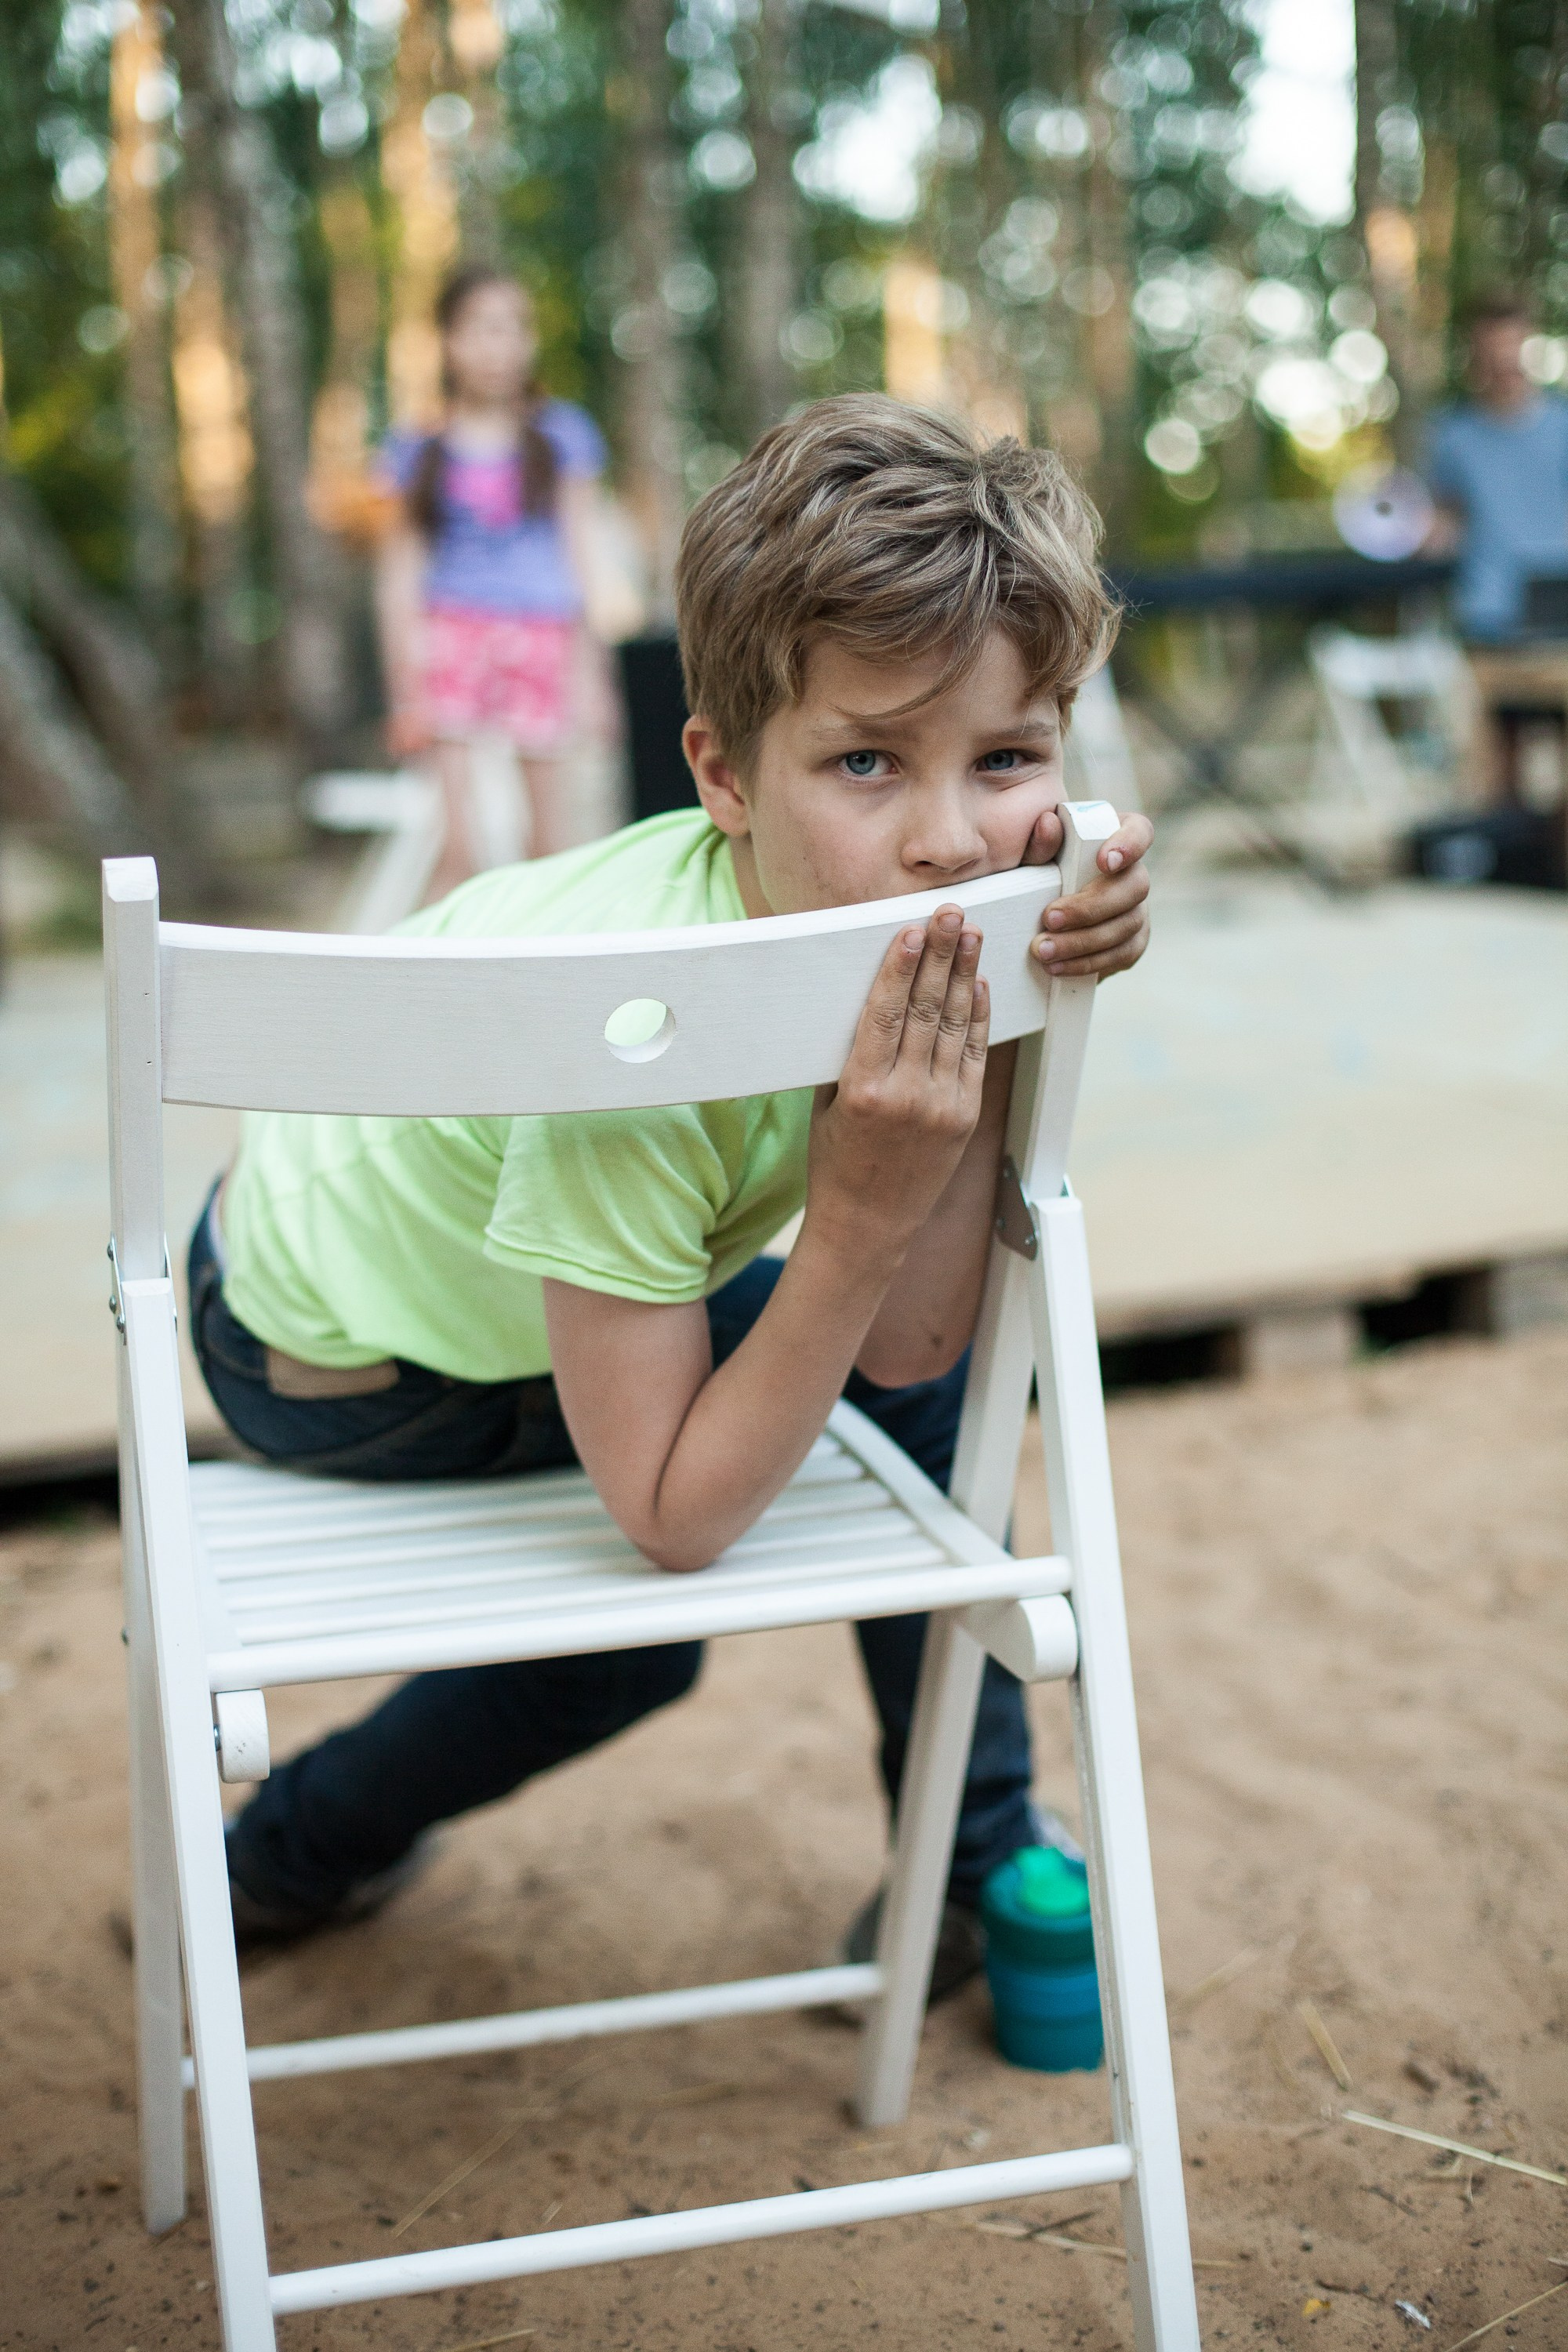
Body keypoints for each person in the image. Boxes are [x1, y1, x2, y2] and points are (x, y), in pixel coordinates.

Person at [194, 397, 1154, 1998]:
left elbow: (916, 1357)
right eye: (864, 760)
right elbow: (673, 1516)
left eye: (1004, 759)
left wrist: (1017, 997)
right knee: (635, 1641)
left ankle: (971, 1870)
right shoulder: (634, 1024)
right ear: (720, 774)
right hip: (330, 1349)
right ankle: (284, 1853)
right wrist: (848, 1215)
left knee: (921, 1405)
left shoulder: (887, 917)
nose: (943, 840)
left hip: (509, 1281)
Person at [376, 265, 609, 898]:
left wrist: (595, 678)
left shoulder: (562, 437)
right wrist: (406, 686)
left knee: (552, 847)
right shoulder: (415, 448)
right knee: (456, 849)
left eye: (512, 329)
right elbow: (399, 574)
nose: (498, 346)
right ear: (448, 341)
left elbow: (583, 560)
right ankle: (447, 987)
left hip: (543, 639)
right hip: (449, 640)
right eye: (480, 329)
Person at [1425, 296, 1568, 806]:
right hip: (1490, 621)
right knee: (1499, 774)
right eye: (1492, 352)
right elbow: (1445, 519)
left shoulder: (1562, 424)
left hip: (1560, 619)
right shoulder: (1453, 436)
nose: (1503, 364)